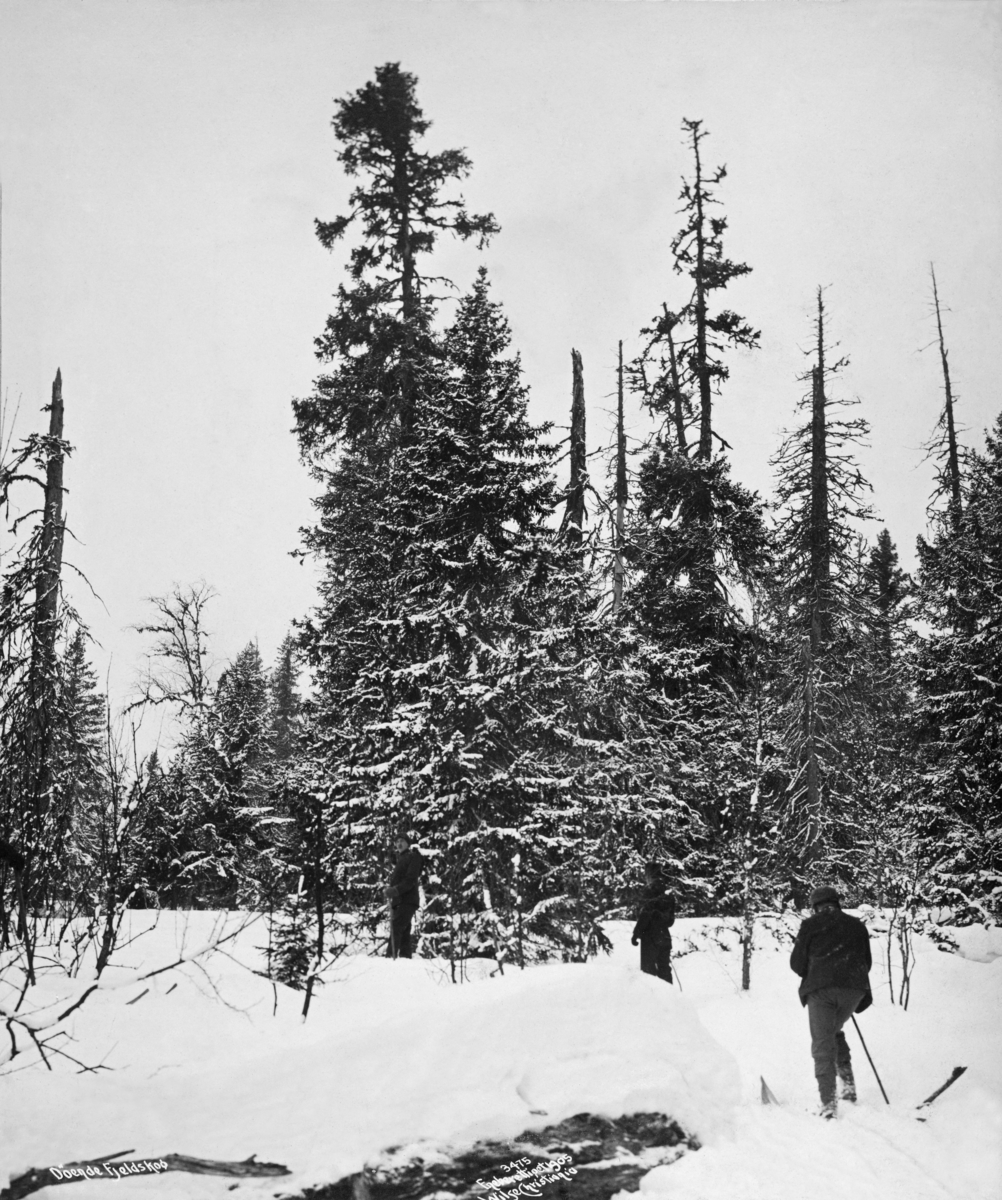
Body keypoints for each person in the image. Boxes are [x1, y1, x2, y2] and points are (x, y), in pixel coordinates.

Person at [790, 885, 872, 1119]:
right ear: (837, 902)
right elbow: (866, 961)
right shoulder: (857, 925)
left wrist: (817, 969)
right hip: (854, 990)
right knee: (834, 1031)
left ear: (815, 906)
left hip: (821, 990)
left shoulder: (810, 925)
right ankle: (848, 1088)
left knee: (822, 1043)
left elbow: (797, 964)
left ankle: (828, 1103)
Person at [631, 862, 675, 983]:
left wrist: (636, 934)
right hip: (665, 937)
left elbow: (646, 914)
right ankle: (671, 999)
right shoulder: (669, 894)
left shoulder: (650, 891)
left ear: (649, 874)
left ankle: (652, 1001)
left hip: (650, 938)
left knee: (648, 975)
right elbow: (670, 921)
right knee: (665, 971)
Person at [384, 832, 423, 959]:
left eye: (402, 841)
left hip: (407, 899)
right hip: (400, 901)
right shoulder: (401, 858)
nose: (399, 844)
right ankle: (406, 959)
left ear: (408, 843)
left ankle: (390, 957)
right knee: (404, 931)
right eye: (397, 841)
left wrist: (395, 890)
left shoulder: (413, 856)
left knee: (396, 927)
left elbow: (410, 880)